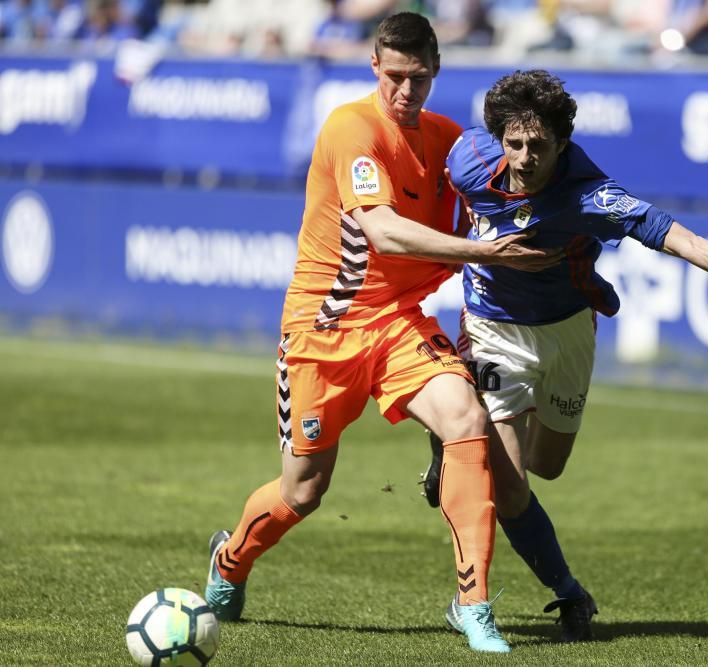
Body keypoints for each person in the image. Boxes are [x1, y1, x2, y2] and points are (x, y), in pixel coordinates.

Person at [419, 69, 708, 642]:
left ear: (562, 143)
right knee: (507, 481)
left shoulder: (591, 196)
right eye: (514, 143)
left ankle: (457, 446)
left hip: (569, 329)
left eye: (538, 146)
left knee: (548, 465)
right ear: (498, 137)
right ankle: (565, 588)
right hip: (493, 329)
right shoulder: (469, 156)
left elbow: (687, 241)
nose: (524, 157)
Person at [203, 15, 561, 655]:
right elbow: (385, 230)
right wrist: (487, 255)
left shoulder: (452, 142)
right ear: (375, 66)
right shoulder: (352, 127)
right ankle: (230, 560)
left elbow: (523, 180)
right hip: (325, 329)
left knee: (465, 419)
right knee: (304, 489)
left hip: (398, 323)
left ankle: (472, 603)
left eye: (418, 78)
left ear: (435, 71)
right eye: (394, 76)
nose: (405, 91)